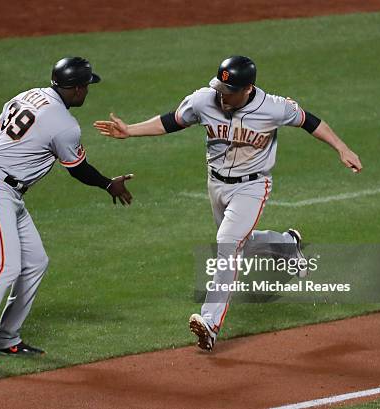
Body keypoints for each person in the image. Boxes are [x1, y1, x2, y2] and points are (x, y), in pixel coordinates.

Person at [93, 56, 362, 351]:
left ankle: (210, 324)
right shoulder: (204, 100)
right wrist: (130, 130)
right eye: (220, 87)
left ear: (248, 88)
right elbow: (173, 120)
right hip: (216, 184)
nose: (222, 95)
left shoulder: (274, 107)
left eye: (229, 90)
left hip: (253, 186)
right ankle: (285, 244)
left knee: (227, 242)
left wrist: (342, 147)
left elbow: (310, 121)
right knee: (238, 245)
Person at [0, 57, 133, 367]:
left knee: (34, 262)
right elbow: (78, 169)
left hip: (1, 186)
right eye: (86, 86)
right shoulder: (64, 124)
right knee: (5, 266)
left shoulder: (29, 94)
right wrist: (108, 184)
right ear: (75, 89)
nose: (87, 92)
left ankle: (6, 337)